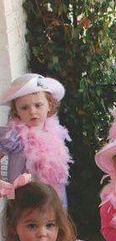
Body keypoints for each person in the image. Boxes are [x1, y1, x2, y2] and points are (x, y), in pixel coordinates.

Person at [0, 74, 72, 205]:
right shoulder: (14, 136)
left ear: (49, 105)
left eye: (38, 105)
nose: (32, 112)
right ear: (16, 111)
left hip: (53, 199)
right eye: (24, 108)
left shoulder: (55, 132)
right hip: (24, 200)